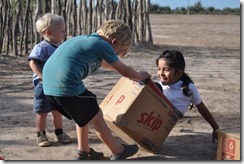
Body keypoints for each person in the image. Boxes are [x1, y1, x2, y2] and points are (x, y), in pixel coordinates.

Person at [42, 19, 151, 160]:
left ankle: (83, 152)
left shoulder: (86, 40)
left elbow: (106, 64)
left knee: (84, 115)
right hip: (66, 86)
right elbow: (126, 71)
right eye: (117, 53)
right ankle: (118, 150)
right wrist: (140, 76)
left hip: (49, 88)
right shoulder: (102, 45)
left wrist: (127, 72)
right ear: (114, 41)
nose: (115, 56)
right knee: (96, 115)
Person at [155, 49, 219, 143]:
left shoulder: (188, 88)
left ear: (179, 73)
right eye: (159, 69)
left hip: (167, 119)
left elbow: (201, 108)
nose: (161, 73)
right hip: (154, 115)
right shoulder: (160, 85)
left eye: (166, 69)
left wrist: (215, 127)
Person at [28, 13, 73, 147]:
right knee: (42, 112)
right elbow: (33, 63)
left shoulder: (60, 47)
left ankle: (59, 133)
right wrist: (43, 77)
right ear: (48, 32)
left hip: (57, 86)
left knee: (57, 110)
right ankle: (41, 135)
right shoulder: (41, 47)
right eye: (61, 31)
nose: (64, 33)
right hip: (43, 86)